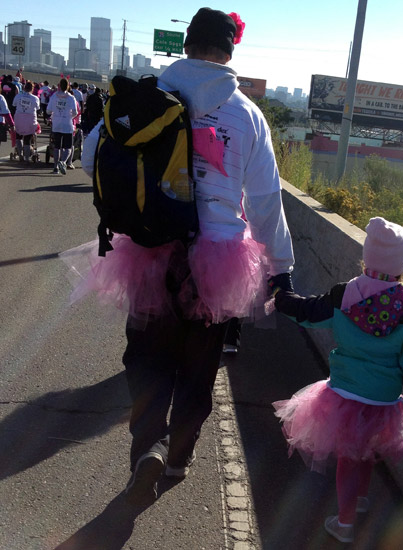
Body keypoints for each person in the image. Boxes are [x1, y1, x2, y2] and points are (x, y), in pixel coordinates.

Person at [69, 7, 294, 506]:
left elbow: (90, 159)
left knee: (146, 360)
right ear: (230, 51)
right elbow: (264, 202)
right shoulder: (246, 114)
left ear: (186, 45)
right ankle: (177, 458)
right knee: (198, 370)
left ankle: (148, 446)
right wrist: (281, 267)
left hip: (151, 249)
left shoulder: (146, 95)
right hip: (218, 262)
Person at [272, 217, 403, 543]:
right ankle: (357, 500)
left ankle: (344, 524)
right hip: (384, 399)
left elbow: (306, 313)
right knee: (368, 448)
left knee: (347, 455)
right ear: (402, 264)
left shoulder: (345, 295)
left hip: (344, 393)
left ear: (367, 257)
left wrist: (280, 295)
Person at [47, 78, 79, 174]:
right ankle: (63, 161)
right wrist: (70, 116)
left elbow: (48, 111)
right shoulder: (71, 97)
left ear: (59, 85)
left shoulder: (54, 96)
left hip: (56, 123)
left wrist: (55, 113)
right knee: (68, 147)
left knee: (57, 146)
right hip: (67, 124)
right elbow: (75, 112)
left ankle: (55, 167)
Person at [12, 80, 41, 162]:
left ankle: (20, 153)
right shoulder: (35, 98)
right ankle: (27, 158)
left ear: (24, 88)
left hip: (19, 117)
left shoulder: (18, 96)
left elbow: (14, 104)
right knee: (27, 139)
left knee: (18, 136)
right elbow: (38, 108)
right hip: (30, 119)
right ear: (32, 89)